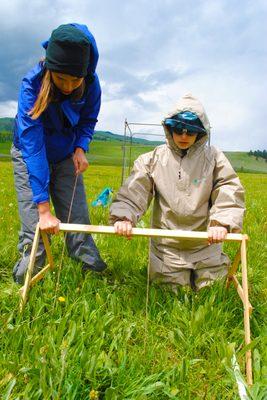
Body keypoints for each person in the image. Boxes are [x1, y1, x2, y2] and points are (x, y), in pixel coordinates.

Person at [110, 93, 245, 291]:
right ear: (169, 128)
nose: (184, 136)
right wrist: (124, 217)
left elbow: (228, 187)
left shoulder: (214, 158)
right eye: (178, 130)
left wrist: (222, 223)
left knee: (213, 291)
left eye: (190, 132)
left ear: (200, 133)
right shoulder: (152, 159)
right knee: (170, 294)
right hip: (167, 247)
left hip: (206, 243)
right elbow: (135, 190)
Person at [11, 23, 107, 284]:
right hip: (30, 155)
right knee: (36, 228)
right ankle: (26, 281)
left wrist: (80, 148)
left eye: (74, 80)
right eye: (61, 78)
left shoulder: (90, 82)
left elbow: (89, 119)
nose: (67, 86)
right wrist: (43, 207)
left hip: (65, 155)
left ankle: (93, 276)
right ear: (50, 68)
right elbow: (33, 146)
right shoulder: (31, 86)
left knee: (77, 219)